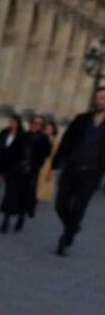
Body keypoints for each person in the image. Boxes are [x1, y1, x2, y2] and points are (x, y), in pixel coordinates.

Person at [54, 87, 105, 256]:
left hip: (92, 173)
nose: (99, 101)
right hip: (72, 168)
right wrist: (56, 162)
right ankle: (73, 226)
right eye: (97, 98)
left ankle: (66, 238)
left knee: (78, 208)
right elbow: (66, 140)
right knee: (60, 204)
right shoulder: (81, 119)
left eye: (103, 98)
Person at [0, 114, 48, 233]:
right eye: (34, 123)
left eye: (39, 124)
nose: (36, 126)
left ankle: (21, 218)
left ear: (41, 126)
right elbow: (10, 153)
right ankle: (5, 221)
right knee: (10, 196)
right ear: (30, 123)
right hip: (15, 171)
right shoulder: (22, 136)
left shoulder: (43, 140)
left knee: (24, 197)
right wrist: (1, 171)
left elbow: (43, 156)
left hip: (30, 173)